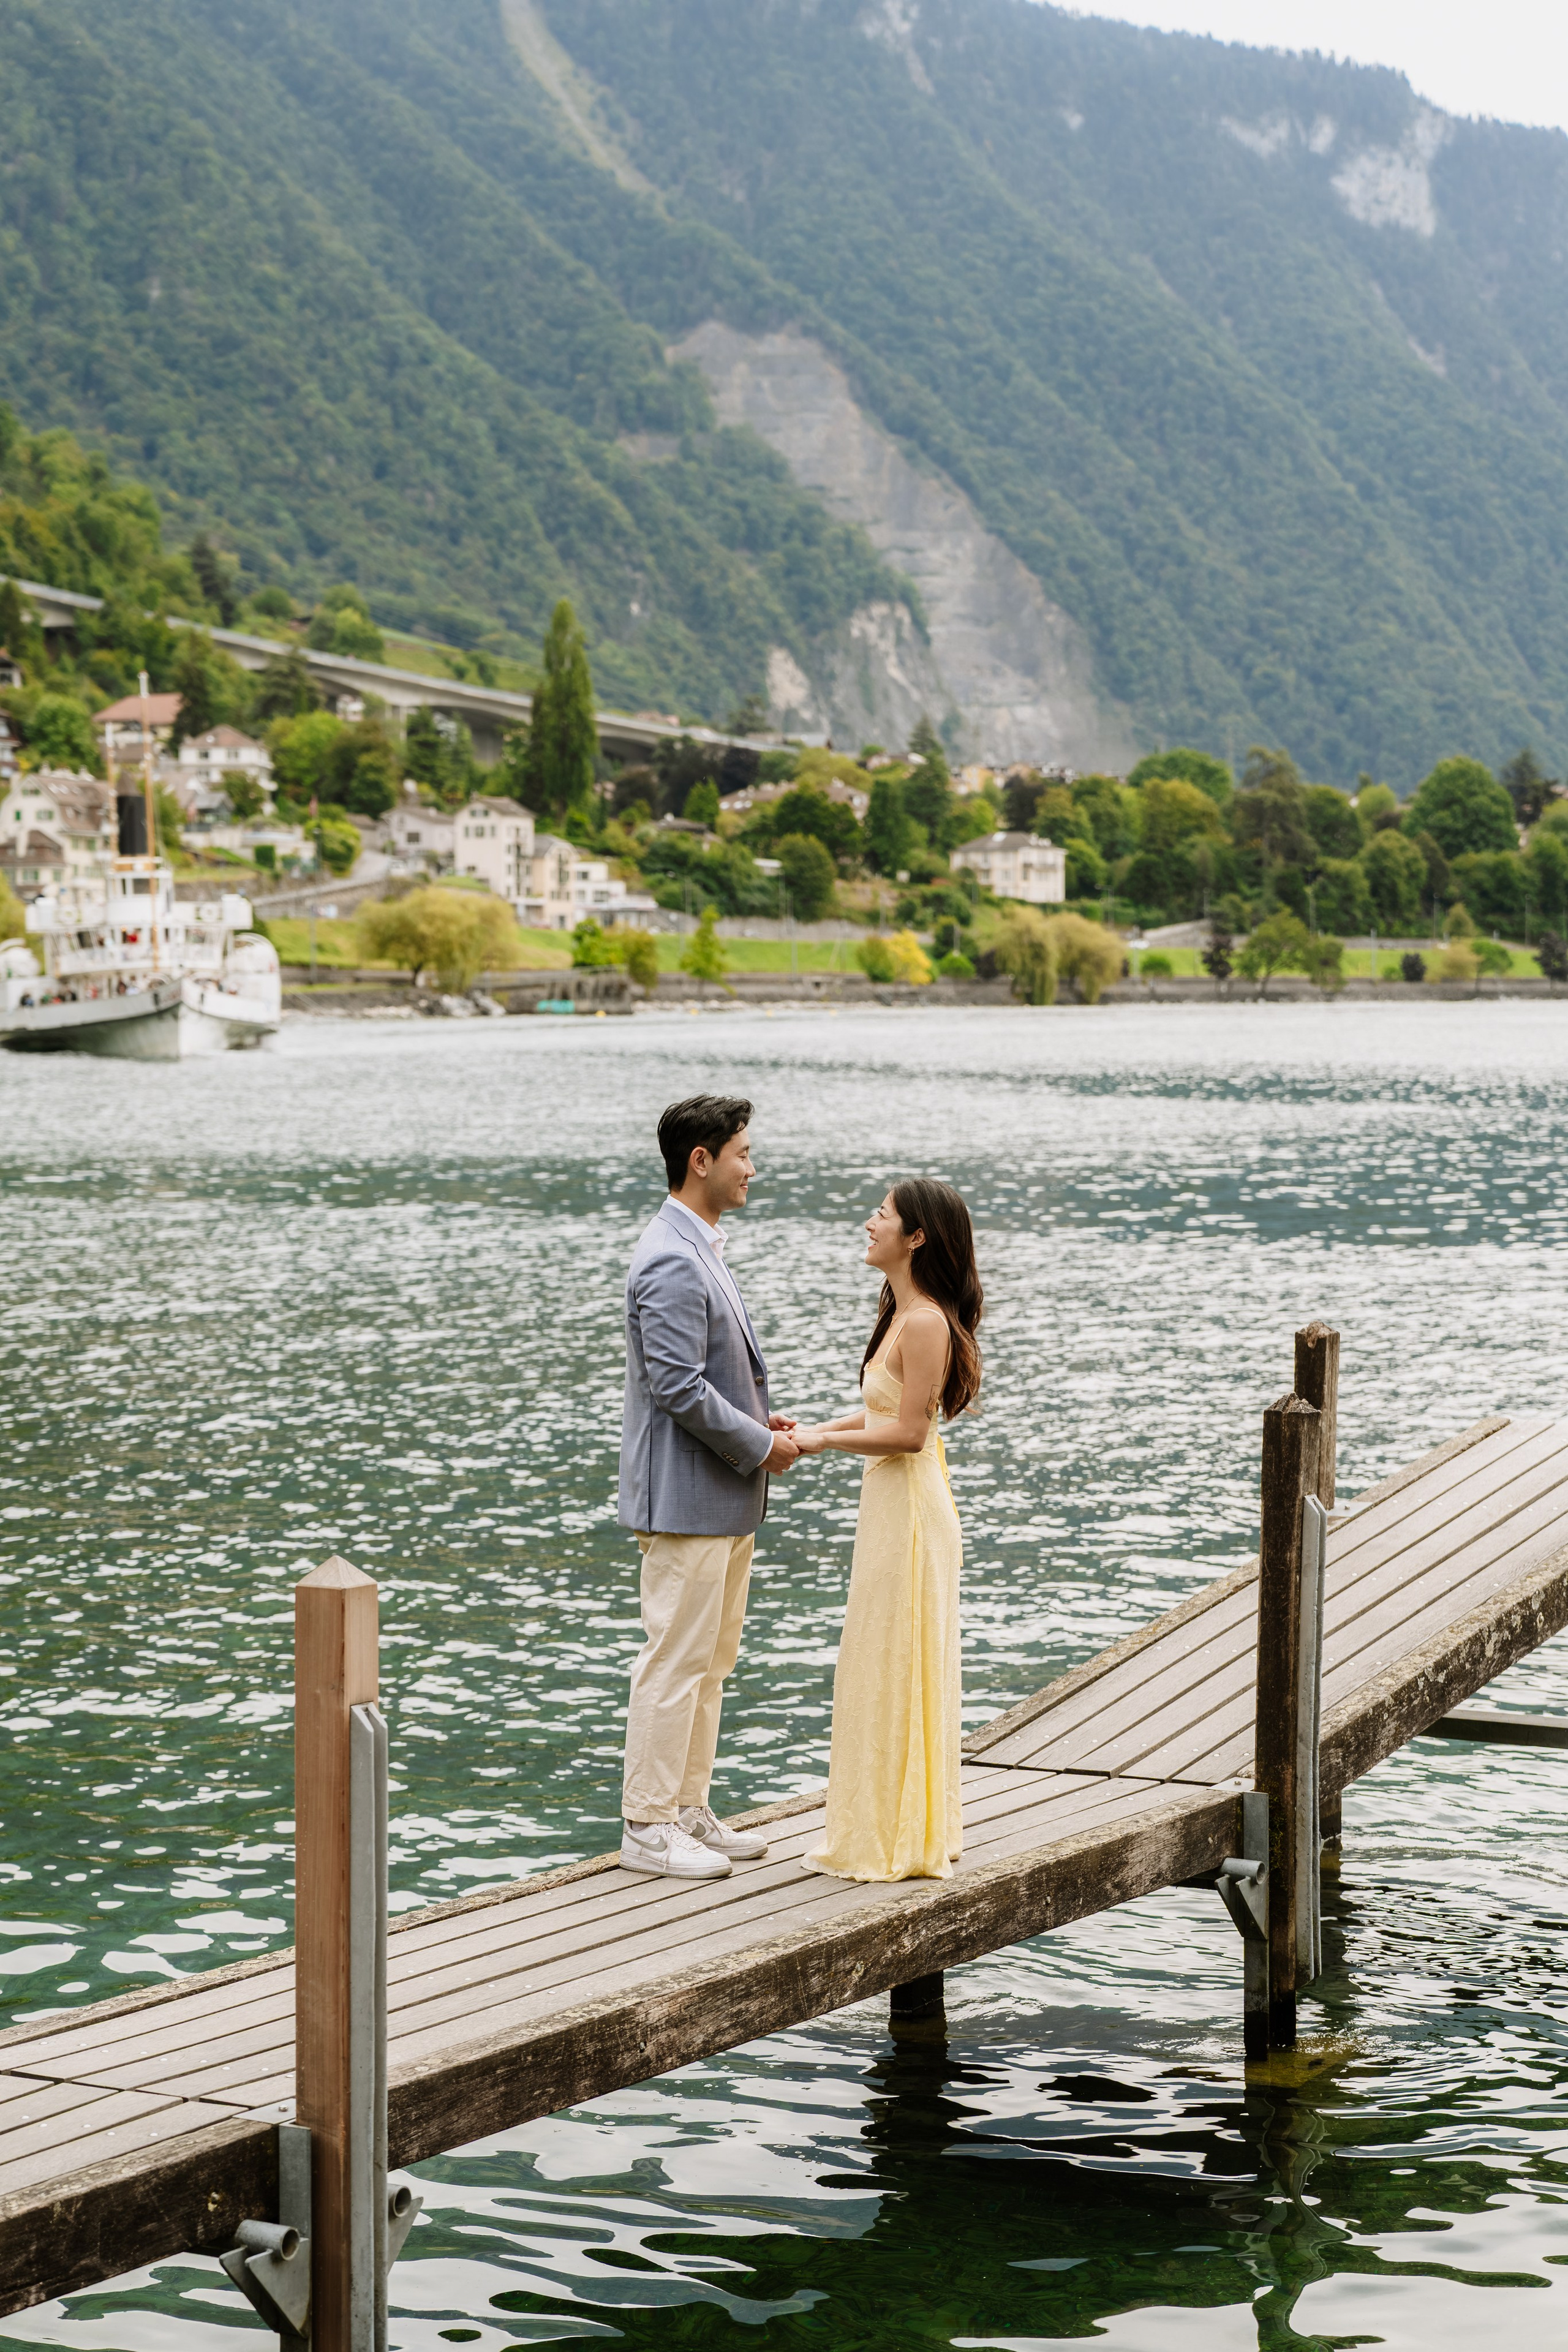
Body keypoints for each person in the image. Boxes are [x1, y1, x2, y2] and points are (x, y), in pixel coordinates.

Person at [618, 1095, 802, 1879]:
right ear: (703, 1160)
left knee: (711, 1658)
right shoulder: (668, 1253)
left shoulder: (700, 1246)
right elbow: (677, 1387)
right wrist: (759, 1444)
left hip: (720, 1495)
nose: (751, 1169)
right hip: (689, 1498)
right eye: (743, 1154)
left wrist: (763, 1418)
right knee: (675, 1658)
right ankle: (646, 1825)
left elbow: (711, 1378)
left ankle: (688, 1806)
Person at [793, 1180, 982, 1881]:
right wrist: (812, 1426)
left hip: (910, 1510)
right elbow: (878, 1410)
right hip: (889, 1508)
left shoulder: (928, 1321)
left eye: (882, 1214)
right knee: (877, 1658)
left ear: (916, 1237)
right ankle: (888, 1820)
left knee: (898, 1658)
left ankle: (905, 1834)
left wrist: (819, 1447)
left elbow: (906, 1434)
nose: (868, 1222)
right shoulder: (902, 1316)